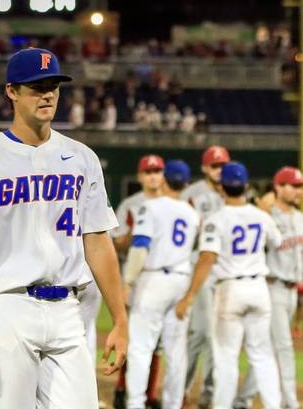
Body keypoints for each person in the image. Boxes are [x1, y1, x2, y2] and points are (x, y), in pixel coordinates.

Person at [0, 48, 128, 408]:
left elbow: (99, 242)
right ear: (11, 91)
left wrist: (120, 319)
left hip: (69, 310)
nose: (47, 95)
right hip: (9, 306)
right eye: (36, 87)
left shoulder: (82, 158)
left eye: (53, 86)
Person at [175, 162, 282, 409]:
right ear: (246, 186)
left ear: (221, 187)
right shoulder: (262, 216)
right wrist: (263, 211)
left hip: (230, 290)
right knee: (262, 355)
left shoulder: (216, 219)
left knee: (226, 357)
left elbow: (207, 258)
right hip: (259, 289)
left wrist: (189, 295)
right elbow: (277, 243)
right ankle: (274, 405)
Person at [120, 159, 199, 409]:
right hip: (181, 280)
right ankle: (173, 404)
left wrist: (127, 281)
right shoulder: (192, 213)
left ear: (164, 179)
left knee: (141, 347)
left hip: (154, 281)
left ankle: (135, 404)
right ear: (186, 184)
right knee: (176, 351)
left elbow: (140, 246)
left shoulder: (150, 207)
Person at [233, 166, 303, 409]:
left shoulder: (300, 218)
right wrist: (263, 205)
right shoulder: (266, 217)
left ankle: (242, 399)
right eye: (293, 185)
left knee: (268, 349)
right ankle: (289, 403)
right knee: (283, 347)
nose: (298, 190)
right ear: (278, 187)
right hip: (272, 288)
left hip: (292, 290)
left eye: (300, 186)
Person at [110, 154, 167, 409]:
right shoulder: (131, 205)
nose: (153, 175)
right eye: (149, 171)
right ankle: (124, 390)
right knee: (133, 340)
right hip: (136, 280)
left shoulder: (172, 204)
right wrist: (136, 232)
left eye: (157, 171)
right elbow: (116, 243)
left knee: (158, 345)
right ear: (141, 175)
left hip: (164, 280)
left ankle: (150, 394)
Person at [182, 145, 230, 406]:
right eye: (215, 166)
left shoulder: (235, 190)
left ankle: (209, 394)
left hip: (225, 271)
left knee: (216, 335)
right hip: (198, 266)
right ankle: (183, 387)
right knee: (202, 333)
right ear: (204, 168)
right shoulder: (192, 194)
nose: (219, 171)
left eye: (222, 165)